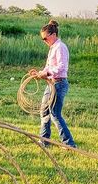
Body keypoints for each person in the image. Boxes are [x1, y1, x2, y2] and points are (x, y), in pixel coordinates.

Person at [29, 20, 76, 148]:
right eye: (42, 39)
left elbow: (61, 67)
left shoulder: (60, 47)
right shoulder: (53, 48)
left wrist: (47, 73)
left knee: (54, 113)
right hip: (51, 84)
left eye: (45, 38)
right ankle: (44, 142)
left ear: (53, 34)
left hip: (59, 84)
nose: (44, 41)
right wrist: (39, 73)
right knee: (44, 111)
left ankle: (69, 144)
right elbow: (49, 67)